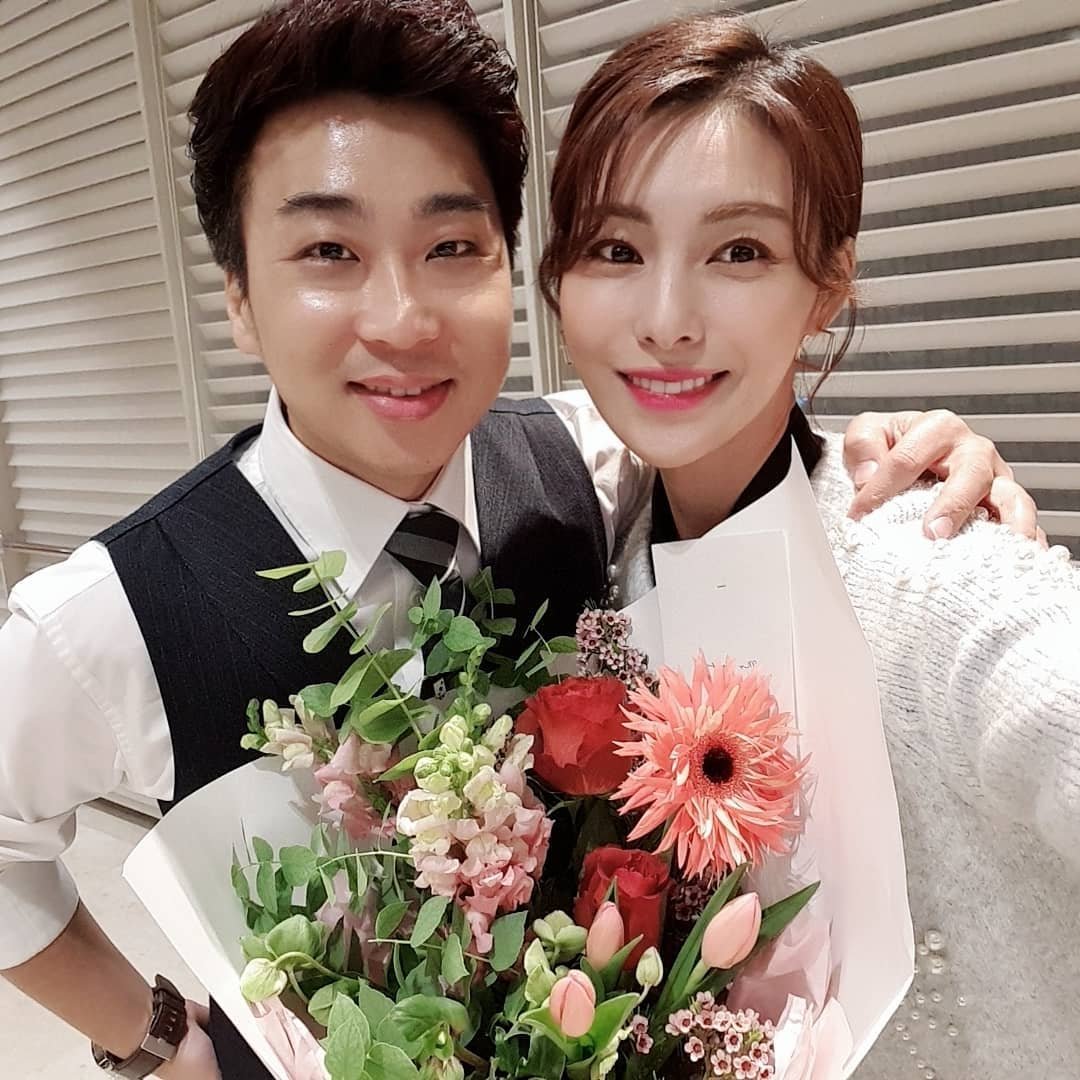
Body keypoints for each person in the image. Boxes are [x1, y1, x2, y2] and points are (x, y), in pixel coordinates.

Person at [0, 2, 1036, 1078]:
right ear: (241, 300)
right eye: (328, 251)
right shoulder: (107, 614)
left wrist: (906, 462)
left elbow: (737, 431)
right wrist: (152, 1038)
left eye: (451, 246)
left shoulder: (584, 460)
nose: (403, 320)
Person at [540, 13, 1080, 1079]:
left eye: (739, 251)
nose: (667, 319)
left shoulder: (929, 565)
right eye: (616, 249)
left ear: (827, 284)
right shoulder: (596, 547)